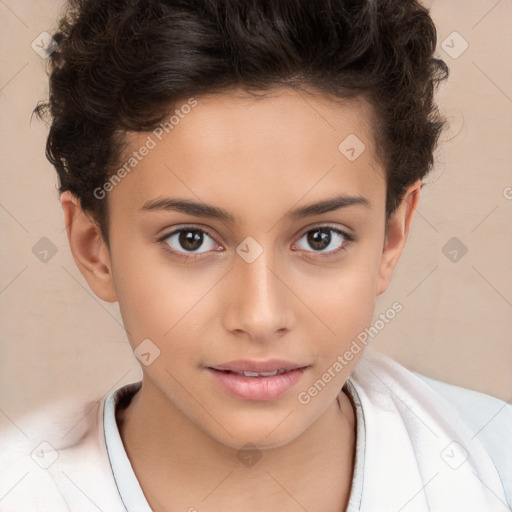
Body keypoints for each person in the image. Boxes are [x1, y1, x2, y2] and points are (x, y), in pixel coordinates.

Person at [0, 0, 510, 510]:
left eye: (320, 238)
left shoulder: (496, 467)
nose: (260, 317)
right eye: (191, 239)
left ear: (391, 236)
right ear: (96, 250)